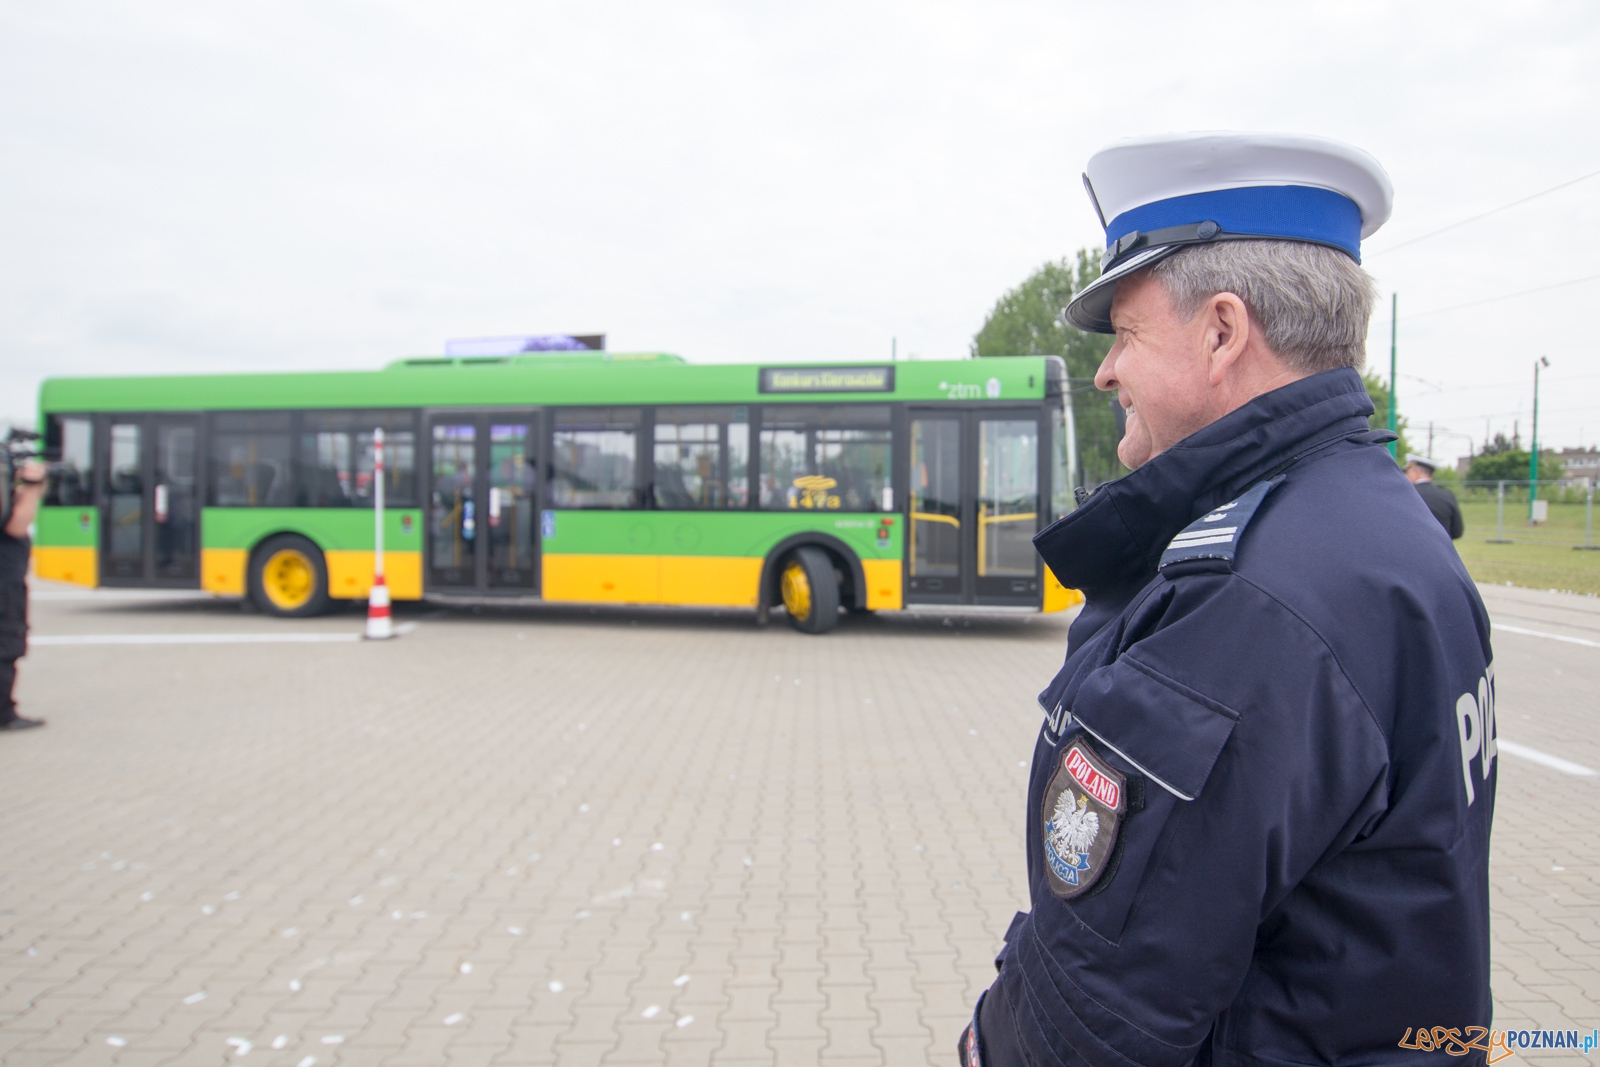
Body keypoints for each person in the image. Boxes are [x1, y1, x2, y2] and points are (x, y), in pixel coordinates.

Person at [960, 133, 1494, 1066]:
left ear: (1221, 332)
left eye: (1127, 334)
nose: (1106, 372)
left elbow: (1093, 1018)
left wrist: (988, 1043)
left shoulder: (1249, 600)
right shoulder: (1388, 526)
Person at [1, 458, 46, 731]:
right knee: (6, 643)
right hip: (4, 585)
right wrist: (31, 484)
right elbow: (15, 525)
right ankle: (3, 714)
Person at [1405, 453, 1465, 539]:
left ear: (1417, 473)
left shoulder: (1408, 494)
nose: (1405, 476)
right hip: (1442, 546)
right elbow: (1457, 531)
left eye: (1407, 472)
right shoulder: (1447, 495)